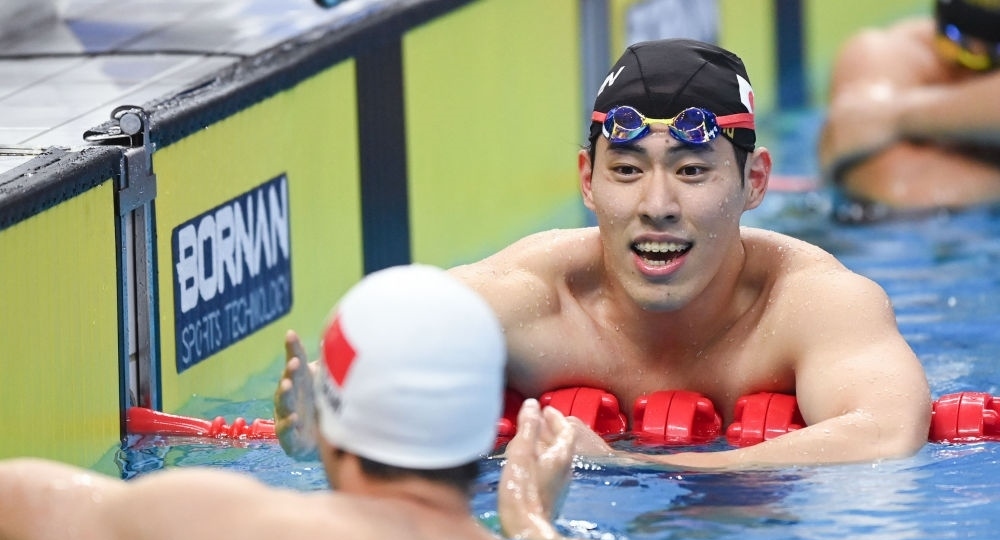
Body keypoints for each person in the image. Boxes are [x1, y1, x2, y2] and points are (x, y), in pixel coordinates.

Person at [276, 38, 931, 471]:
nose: (657, 204)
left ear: (754, 181)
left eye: (692, 170)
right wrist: (327, 436)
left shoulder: (810, 302)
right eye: (626, 170)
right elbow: (366, 351)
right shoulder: (526, 301)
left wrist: (633, 467)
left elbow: (885, 433)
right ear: (587, 180)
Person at [0, 265, 654, 540]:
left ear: (332, 414)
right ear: (489, 423)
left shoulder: (230, 531)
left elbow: (15, 516)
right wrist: (537, 529)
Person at [819, 0, 1000, 222]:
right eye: (956, 44)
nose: (971, 69)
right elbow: (897, 185)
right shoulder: (887, 53)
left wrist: (894, 117)